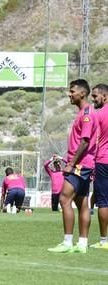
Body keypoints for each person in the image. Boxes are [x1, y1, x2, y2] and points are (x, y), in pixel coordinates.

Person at [48, 79, 97, 254]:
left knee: (64, 199)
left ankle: (67, 242)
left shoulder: (86, 114)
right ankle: (82, 244)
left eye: (72, 91)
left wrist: (71, 163)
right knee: (82, 202)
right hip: (85, 164)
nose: (69, 94)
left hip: (80, 165)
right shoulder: (85, 112)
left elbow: (85, 141)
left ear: (82, 93)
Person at [90, 83, 108, 249]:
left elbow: (92, 140)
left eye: (95, 96)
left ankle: (104, 241)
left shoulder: (98, 115)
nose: (93, 99)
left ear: (105, 96)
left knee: (103, 201)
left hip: (103, 161)